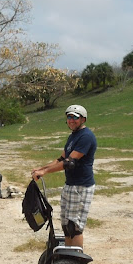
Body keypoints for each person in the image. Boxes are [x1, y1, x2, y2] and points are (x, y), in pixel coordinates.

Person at [31, 104, 97, 249]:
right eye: (69, 117)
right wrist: (41, 168)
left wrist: (45, 172)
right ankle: (68, 257)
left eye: (75, 117)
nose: (71, 120)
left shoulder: (86, 137)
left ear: (83, 119)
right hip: (70, 184)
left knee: (75, 226)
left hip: (81, 186)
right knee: (66, 225)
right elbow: (61, 159)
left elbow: (69, 163)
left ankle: (76, 263)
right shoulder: (73, 136)